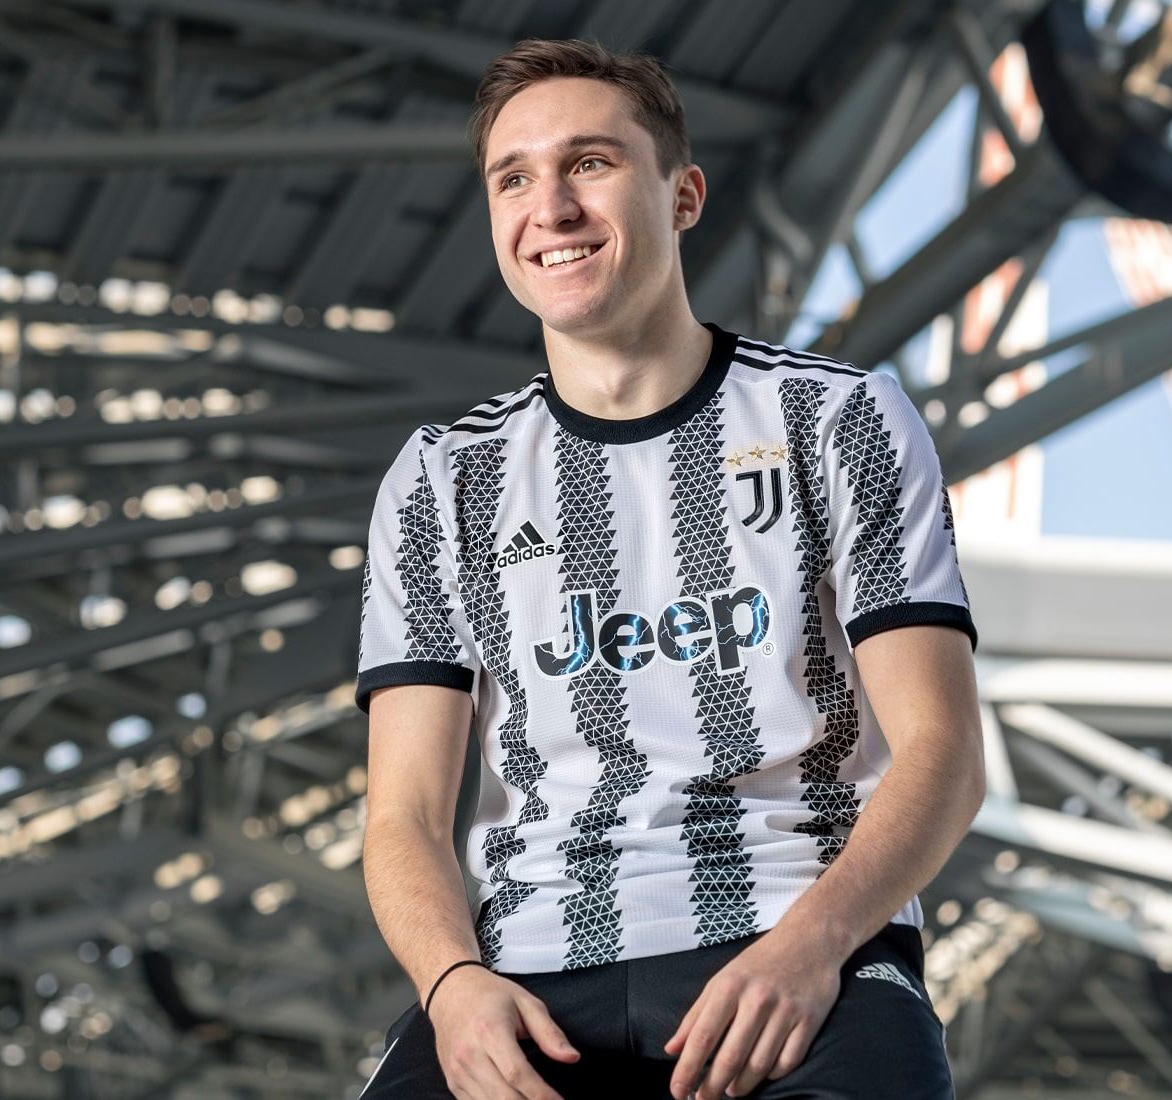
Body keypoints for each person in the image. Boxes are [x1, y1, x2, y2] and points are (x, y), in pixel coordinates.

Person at [356, 37, 983, 1100]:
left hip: (796, 940)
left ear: (683, 195)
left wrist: (811, 947)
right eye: (514, 179)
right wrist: (452, 984)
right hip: (527, 972)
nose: (551, 208)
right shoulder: (441, 477)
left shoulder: (839, 419)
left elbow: (945, 753)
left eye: (590, 163)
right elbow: (404, 815)